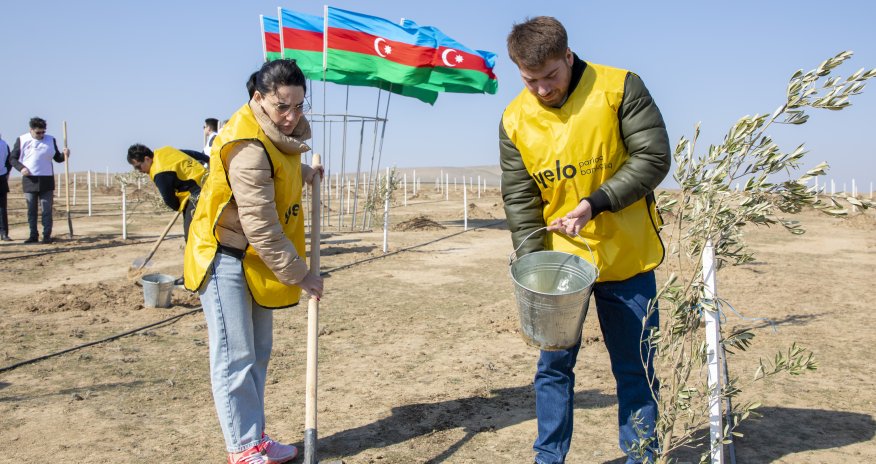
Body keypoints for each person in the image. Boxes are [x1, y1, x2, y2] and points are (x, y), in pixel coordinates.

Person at [500, 17, 670, 464]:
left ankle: (641, 457)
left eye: (550, 76)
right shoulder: (514, 119)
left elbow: (653, 156)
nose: (541, 89)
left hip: (626, 258)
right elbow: (520, 199)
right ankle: (548, 458)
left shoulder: (619, 88)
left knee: (635, 369)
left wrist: (596, 202)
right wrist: (531, 267)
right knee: (553, 368)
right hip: (560, 268)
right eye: (529, 80)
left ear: (568, 57)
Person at [183, 59, 323, 464]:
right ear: (258, 98)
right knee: (235, 355)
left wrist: (308, 177)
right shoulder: (246, 145)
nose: (292, 116)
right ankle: (242, 449)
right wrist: (302, 275)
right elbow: (260, 225)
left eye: (299, 106)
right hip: (223, 256)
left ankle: (255, 437)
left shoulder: (279, 135)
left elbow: (279, 174)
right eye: (283, 107)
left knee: (259, 351)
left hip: (254, 260)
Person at [127, 144, 209, 244]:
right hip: (208, 181)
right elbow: (190, 153)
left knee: (191, 237)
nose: (139, 171)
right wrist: (208, 159)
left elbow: (169, 199)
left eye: (138, 167)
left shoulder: (159, 172)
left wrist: (181, 207)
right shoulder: (165, 151)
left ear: (147, 159)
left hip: (198, 194)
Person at [10, 117, 70, 244]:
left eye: (43, 132)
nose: (41, 135)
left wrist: (65, 155)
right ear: (31, 130)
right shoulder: (22, 140)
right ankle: (33, 235)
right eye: (38, 132)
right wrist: (21, 168)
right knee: (32, 210)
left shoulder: (50, 140)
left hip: (47, 180)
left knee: (46, 210)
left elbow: (58, 158)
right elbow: (12, 159)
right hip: (29, 180)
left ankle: (46, 236)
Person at [0, 133, 11, 241]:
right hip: (2, 177)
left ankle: (4, 232)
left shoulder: (4, 144)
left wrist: (5, 172)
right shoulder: (4, 144)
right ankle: (4, 233)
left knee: (2, 208)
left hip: (1, 178)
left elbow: (9, 161)